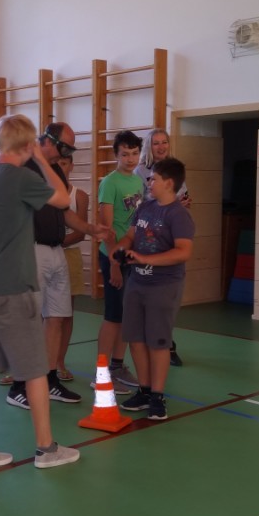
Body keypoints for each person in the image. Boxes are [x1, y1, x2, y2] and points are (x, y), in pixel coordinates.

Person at [0, 113, 80, 470]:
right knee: (35, 370)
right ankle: (46, 448)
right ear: (28, 144)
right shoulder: (21, 178)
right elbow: (62, 199)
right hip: (12, 287)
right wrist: (41, 159)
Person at [4, 122, 109, 410]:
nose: (66, 154)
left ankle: (49, 379)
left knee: (57, 316)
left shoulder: (55, 172)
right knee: (29, 320)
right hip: (31, 249)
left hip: (56, 250)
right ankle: (19, 385)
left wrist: (90, 229)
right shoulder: (24, 167)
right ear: (47, 141)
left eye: (70, 150)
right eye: (65, 148)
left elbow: (65, 213)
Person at [113, 157, 195, 420]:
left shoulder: (179, 215)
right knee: (136, 339)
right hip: (137, 282)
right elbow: (131, 235)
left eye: (154, 179)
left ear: (168, 183)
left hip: (163, 285)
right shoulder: (145, 208)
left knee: (158, 342)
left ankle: (158, 396)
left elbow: (183, 252)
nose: (149, 182)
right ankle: (145, 390)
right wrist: (122, 247)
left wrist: (145, 258)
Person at [135, 128, 190, 366]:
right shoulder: (141, 172)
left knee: (167, 297)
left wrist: (180, 204)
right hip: (149, 236)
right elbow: (142, 202)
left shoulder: (175, 170)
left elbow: (183, 199)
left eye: (164, 142)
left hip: (169, 233)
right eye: (156, 143)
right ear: (149, 146)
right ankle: (153, 343)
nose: (161, 146)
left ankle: (166, 342)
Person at [96, 130, 145, 389]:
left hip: (130, 258)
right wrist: (115, 264)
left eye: (134, 153)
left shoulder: (138, 182)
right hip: (112, 257)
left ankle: (117, 366)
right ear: (116, 155)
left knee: (126, 316)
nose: (130, 159)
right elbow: (106, 229)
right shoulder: (110, 183)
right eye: (125, 154)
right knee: (113, 316)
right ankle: (101, 374)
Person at [55, 152, 91, 385]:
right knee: (41, 313)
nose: (60, 167)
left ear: (71, 166)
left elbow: (80, 232)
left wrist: (55, 242)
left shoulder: (79, 195)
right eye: (56, 163)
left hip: (69, 255)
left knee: (66, 312)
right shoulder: (43, 192)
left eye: (64, 163)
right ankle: (32, 365)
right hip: (44, 255)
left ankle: (59, 361)